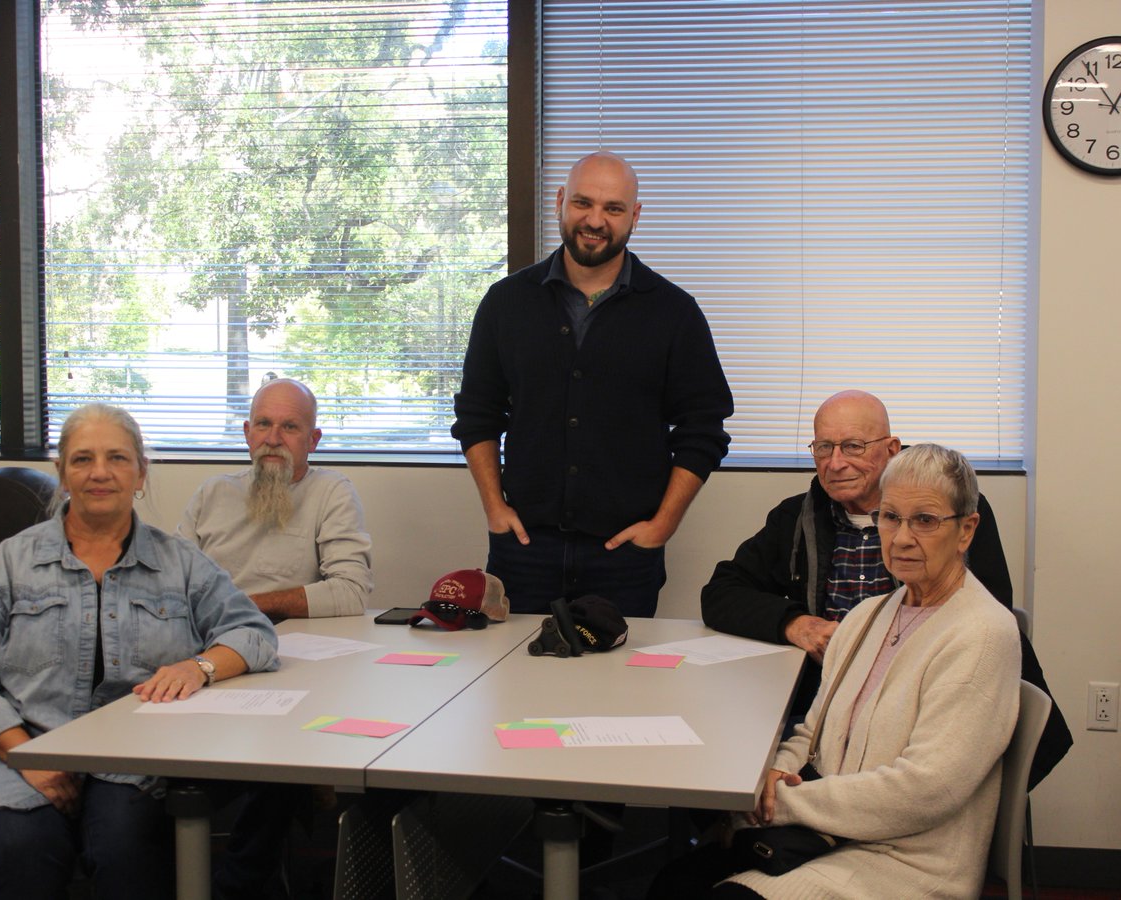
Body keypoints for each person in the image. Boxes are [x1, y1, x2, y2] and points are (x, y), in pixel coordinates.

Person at [0, 403, 279, 900]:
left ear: (141, 473)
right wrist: (25, 756)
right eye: (83, 459)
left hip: (131, 764)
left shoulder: (180, 562)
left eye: (117, 458)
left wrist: (198, 666)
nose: (100, 472)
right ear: (62, 474)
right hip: (11, 754)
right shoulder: (10, 562)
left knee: (128, 851)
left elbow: (253, 633)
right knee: (26, 851)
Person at [652, 445, 1022, 898]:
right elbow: (813, 732)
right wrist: (775, 775)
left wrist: (779, 803)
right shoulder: (869, 615)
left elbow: (925, 791)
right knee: (671, 882)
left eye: (925, 520)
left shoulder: (981, 634)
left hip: (903, 861)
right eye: (890, 517)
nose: (902, 538)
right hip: (826, 833)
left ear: (966, 530)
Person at [700, 390, 1070, 785]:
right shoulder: (798, 516)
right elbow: (722, 592)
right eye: (824, 447)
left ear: (891, 449)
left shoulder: (948, 512)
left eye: (853, 446)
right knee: (718, 764)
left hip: (922, 700)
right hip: (827, 703)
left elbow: (982, 619)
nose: (835, 463)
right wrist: (796, 624)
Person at [451, 151, 733, 617]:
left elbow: (703, 428)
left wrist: (662, 526)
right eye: (583, 203)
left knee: (618, 667)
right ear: (560, 202)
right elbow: (477, 413)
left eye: (613, 208)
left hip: (624, 557)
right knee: (514, 664)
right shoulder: (506, 303)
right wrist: (494, 508)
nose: (595, 220)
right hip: (523, 549)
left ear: (634, 216)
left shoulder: (674, 313)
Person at [180, 377, 372, 620]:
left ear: (313, 440)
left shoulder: (331, 492)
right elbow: (173, 580)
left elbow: (351, 592)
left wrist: (243, 605)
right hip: (208, 630)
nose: (273, 439)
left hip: (284, 634)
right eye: (263, 424)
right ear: (248, 433)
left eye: (289, 427)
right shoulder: (212, 492)